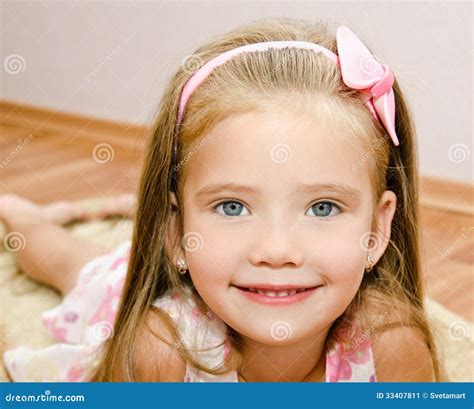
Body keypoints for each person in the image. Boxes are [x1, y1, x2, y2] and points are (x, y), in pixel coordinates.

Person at [2, 18, 442, 382]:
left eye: (322, 208)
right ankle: (24, 213)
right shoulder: (159, 353)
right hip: (114, 290)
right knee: (63, 259)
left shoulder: (393, 349)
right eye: (232, 207)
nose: (276, 251)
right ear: (175, 231)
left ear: (377, 229)